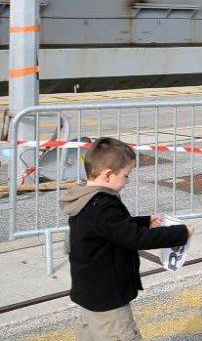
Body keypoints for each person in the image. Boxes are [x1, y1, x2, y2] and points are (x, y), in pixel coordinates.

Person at [61, 138, 193, 341]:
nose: (127, 181)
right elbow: (135, 238)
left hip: (90, 293)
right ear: (107, 174)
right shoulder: (102, 207)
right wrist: (181, 233)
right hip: (108, 300)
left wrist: (144, 221)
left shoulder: (87, 200)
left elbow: (114, 229)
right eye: (126, 175)